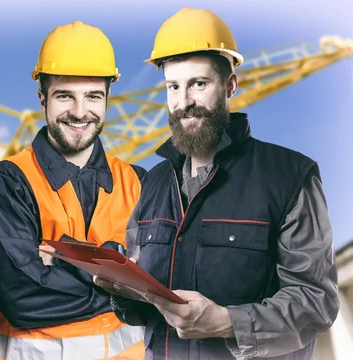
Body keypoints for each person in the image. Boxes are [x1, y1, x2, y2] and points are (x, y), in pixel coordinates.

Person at [94, 7, 340, 360]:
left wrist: (227, 322)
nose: (184, 103)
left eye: (199, 84)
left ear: (230, 85)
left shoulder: (290, 176)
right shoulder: (154, 183)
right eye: (172, 87)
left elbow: (316, 302)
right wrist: (121, 288)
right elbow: (146, 305)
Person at [0, 20, 147, 359]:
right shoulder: (6, 182)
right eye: (65, 95)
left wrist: (61, 261)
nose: (80, 112)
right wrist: (119, 279)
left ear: (108, 97)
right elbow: (21, 298)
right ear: (42, 98)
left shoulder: (139, 181)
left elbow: (169, 276)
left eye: (93, 96)